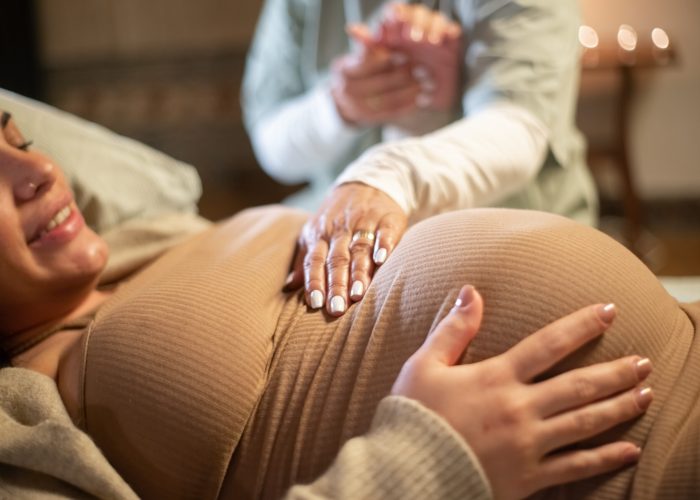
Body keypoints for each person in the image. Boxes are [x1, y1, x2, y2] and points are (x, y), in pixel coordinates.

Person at [1, 109, 699, 500]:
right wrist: (428, 464)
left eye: (19, 139)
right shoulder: (16, 422)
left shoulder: (156, 238)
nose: (39, 172)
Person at [244, 0, 599, 314]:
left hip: (513, 222)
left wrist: (386, 174)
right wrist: (338, 107)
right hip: (325, 212)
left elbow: (518, 128)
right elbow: (272, 144)